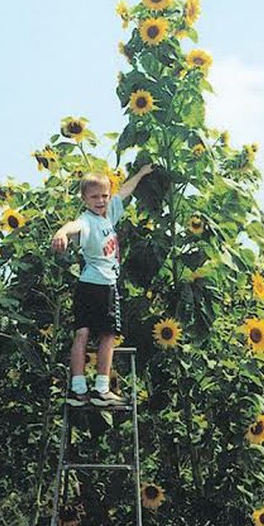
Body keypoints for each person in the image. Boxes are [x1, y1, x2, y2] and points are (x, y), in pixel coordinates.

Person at [51, 164, 153, 407]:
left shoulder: (109, 214)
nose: (101, 200)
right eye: (94, 196)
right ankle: (100, 389)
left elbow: (125, 191)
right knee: (106, 336)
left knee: (83, 333)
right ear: (84, 199)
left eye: (104, 196)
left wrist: (140, 174)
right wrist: (61, 233)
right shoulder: (86, 221)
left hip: (86, 285)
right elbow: (74, 225)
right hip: (102, 286)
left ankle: (78, 389)